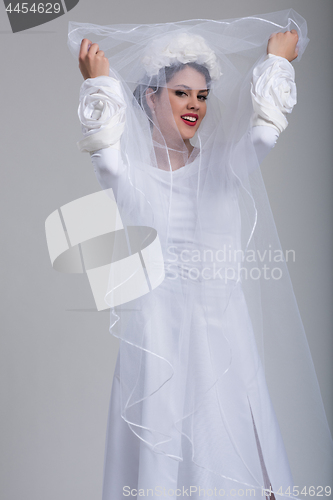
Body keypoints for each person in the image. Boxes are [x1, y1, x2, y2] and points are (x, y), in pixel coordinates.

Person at [68, 11, 333, 500]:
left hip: (222, 335)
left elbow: (262, 134)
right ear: (151, 96)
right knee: (160, 456)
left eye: (202, 95)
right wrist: (99, 84)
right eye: (181, 93)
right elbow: (104, 157)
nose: (195, 106)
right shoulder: (133, 174)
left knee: (229, 445)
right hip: (158, 339)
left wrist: (276, 64)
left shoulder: (222, 167)